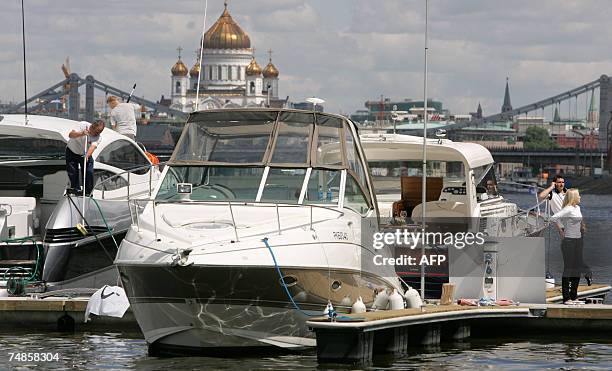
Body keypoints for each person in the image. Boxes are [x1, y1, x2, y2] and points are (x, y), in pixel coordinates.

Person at [549, 189, 591, 304]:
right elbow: (553, 218)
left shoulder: (577, 208)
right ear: (573, 197)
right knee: (568, 269)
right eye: (579, 195)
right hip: (568, 243)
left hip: (578, 242)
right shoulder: (567, 209)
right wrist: (562, 229)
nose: (580, 197)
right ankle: (566, 298)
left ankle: (574, 296)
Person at [66, 120, 105, 196]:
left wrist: (87, 155)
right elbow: (70, 135)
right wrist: (82, 133)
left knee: (89, 171)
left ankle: (88, 192)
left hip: (84, 154)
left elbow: (92, 147)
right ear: (92, 127)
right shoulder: (83, 125)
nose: (97, 134)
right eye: (96, 131)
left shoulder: (98, 137)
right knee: (73, 171)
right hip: (72, 150)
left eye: (99, 132)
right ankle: (75, 190)